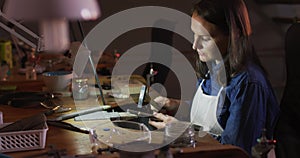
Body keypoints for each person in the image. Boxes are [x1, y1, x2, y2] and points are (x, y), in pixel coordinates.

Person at [149, 0, 280, 155]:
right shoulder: (212, 64)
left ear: (234, 34)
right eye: (194, 35)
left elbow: (235, 151)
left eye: (204, 38)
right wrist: (172, 104)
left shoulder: (248, 83)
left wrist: (184, 132)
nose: (194, 45)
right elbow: (211, 113)